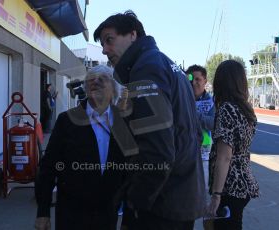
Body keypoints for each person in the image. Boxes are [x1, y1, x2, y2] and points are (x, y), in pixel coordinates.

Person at [94, 10, 205, 230]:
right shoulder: (168, 65)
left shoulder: (146, 68)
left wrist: (137, 201)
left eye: (109, 40)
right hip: (181, 196)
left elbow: (158, 151)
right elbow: (194, 134)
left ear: (133, 35)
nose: (105, 50)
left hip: (161, 205)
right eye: (102, 44)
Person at [34, 65, 126, 230]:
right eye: (90, 80)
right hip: (71, 215)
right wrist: (43, 211)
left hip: (107, 215)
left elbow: (128, 171)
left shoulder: (123, 123)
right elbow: (48, 168)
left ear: (113, 88)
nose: (95, 83)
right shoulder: (66, 121)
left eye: (102, 79)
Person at [206, 60, 260, 229]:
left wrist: (216, 195)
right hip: (244, 183)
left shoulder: (227, 109)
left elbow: (224, 157)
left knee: (219, 226)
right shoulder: (245, 109)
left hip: (230, 186)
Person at [186, 65, 215, 190]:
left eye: (198, 79)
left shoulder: (212, 101)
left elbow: (213, 123)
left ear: (205, 81)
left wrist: (192, 114)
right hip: (184, 154)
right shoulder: (181, 99)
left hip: (204, 156)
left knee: (201, 194)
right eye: (191, 79)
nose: (193, 83)